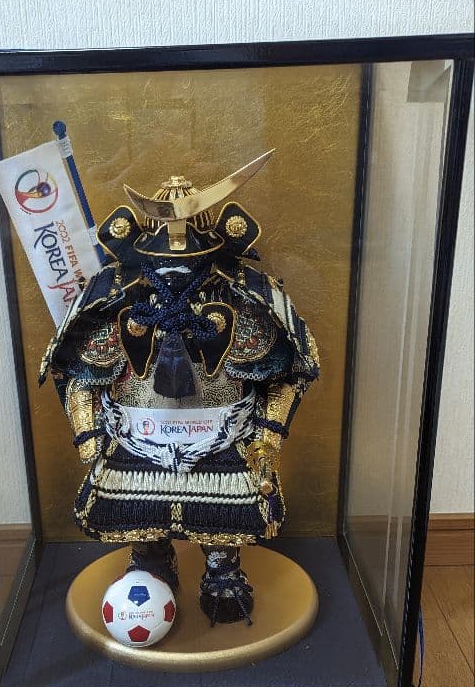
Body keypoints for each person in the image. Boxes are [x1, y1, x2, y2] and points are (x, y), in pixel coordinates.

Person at [40, 151, 319, 626]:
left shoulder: (242, 295)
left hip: (222, 441)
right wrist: (88, 437)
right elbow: (79, 374)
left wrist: (268, 437)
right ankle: (150, 559)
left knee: (223, 518)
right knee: (139, 517)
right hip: (136, 440)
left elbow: (286, 372)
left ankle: (221, 566)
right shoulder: (114, 295)